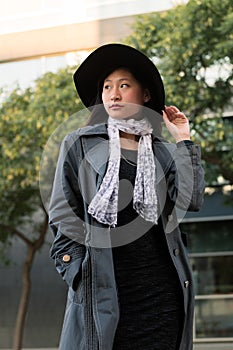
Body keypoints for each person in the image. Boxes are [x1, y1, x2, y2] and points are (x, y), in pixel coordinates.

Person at [49, 43, 205, 350]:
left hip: (162, 299)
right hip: (106, 297)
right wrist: (79, 273)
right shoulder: (80, 144)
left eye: (123, 85)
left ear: (145, 95)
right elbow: (62, 215)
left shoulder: (162, 151)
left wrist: (183, 141)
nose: (113, 94)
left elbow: (191, 200)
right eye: (107, 87)